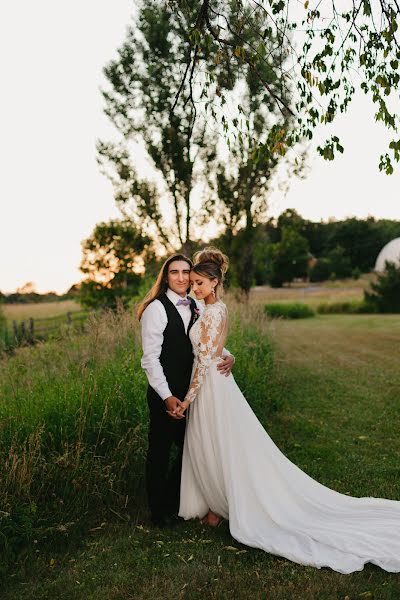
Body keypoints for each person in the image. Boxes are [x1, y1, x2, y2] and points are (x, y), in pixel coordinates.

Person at [175, 247, 400, 574]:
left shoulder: (211, 312)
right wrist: (227, 356)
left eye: (198, 282)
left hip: (210, 387)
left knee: (218, 444)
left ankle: (225, 505)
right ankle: (215, 506)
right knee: (214, 445)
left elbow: (207, 358)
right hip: (215, 385)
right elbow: (215, 349)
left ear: (213, 282)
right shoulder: (214, 308)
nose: (193, 288)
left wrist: (188, 398)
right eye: (192, 283)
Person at [138, 254, 235, 527]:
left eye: (185, 272)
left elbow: (207, 342)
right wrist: (167, 396)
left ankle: (176, 502)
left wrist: (230, 356)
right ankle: (158, 513)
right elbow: (150, 359)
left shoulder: (196, 304)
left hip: (195, 391)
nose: (181, 278)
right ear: (166, 277)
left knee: (191, 450)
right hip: (166, 394)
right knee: (159, 450)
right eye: (174, 272)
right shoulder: (156, 309)